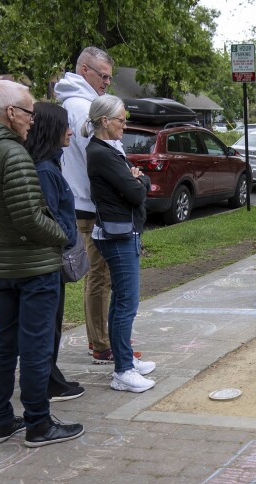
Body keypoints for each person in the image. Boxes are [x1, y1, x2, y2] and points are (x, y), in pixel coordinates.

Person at [0, 80, 84, 447]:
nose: (31, 120)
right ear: (11, 113)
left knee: (5, 343)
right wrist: (63, 236)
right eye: (28, 112)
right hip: (34, 267)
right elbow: (29, 218)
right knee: (36, 347)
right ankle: (39, 424)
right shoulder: (12, 154)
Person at [55, 47, 142, 365]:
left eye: (109, 76)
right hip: (90, 207)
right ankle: (103, 344)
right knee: (100, 277)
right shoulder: (81, 107)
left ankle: (108, 341)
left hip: (90, 203)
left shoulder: (79, 103)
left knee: (105, 277)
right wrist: (126, 184)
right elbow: (99, 157)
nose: (107, 81)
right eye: (102, 75)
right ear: (84, 70)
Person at [84, 95, 156, 393]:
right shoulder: (101, 152)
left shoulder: (110, 149)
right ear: (104, 121)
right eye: (121, 121)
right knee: (127, 302)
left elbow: (141, 182)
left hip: (123, 230)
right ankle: (123, 371)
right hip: (118, 234)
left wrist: (138, 180)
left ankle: (125, 360)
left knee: (120, 302)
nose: (125, 126)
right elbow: (138, 192)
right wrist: (138, 181)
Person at [24, 102, 85, 403]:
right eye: (66, 125)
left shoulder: (51, 163)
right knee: (48, 326)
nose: (71, 131)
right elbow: (47, 215)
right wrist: (66, 237)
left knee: (53, 325)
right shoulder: (45, 170)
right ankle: (47, 383)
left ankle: (52, 377)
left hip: (51, 257)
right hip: (48, 260)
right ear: (52, 130)